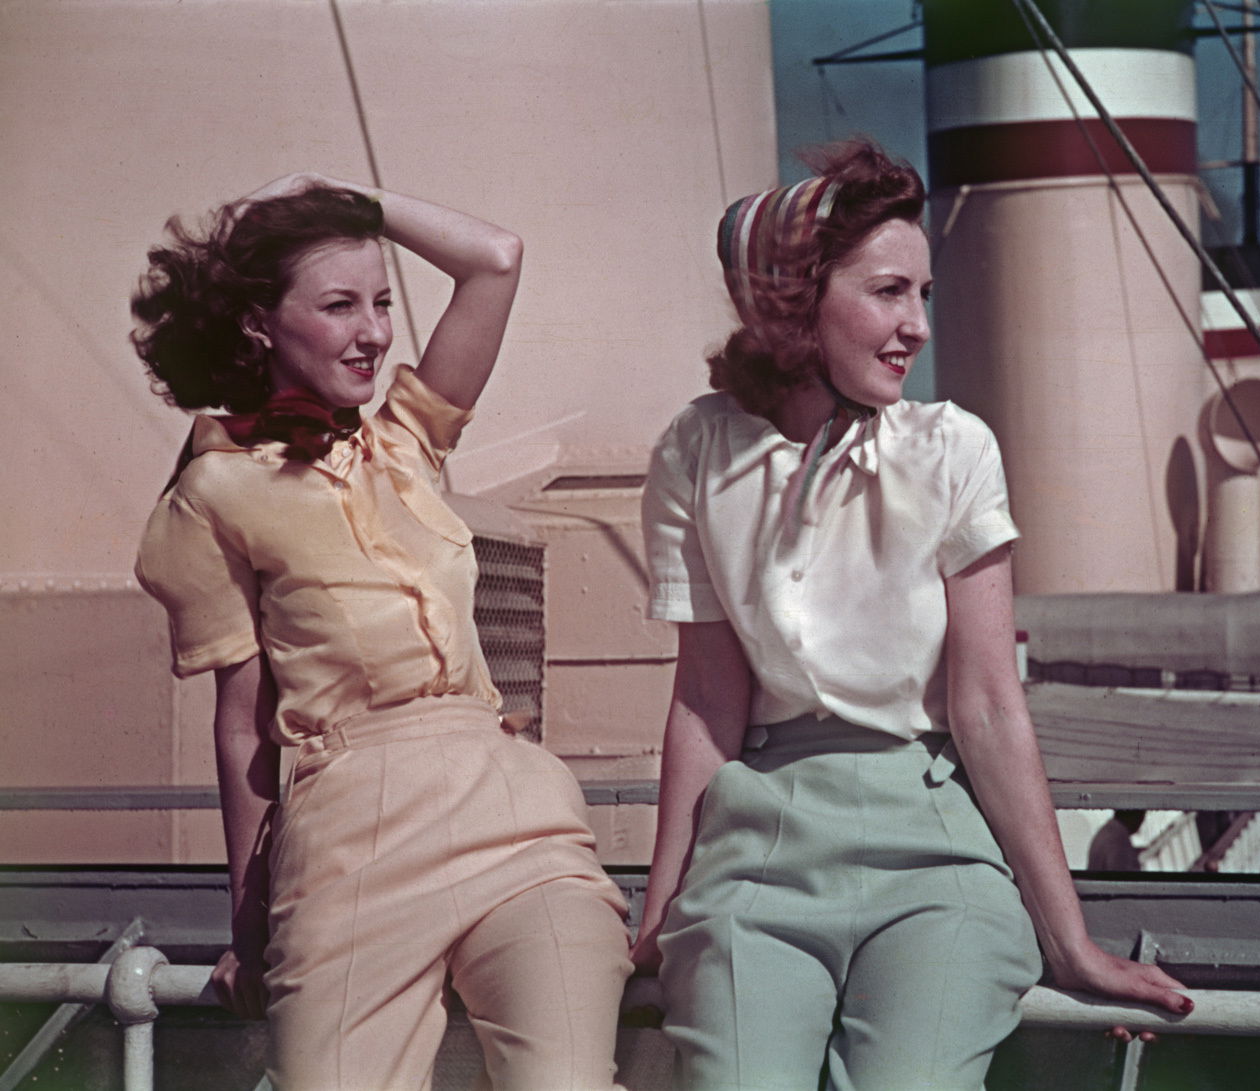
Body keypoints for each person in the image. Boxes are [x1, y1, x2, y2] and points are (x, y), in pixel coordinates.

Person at [631, 140, 1193, 1090]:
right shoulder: (699, 450)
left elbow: (987, 706)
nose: (918, 326)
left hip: (935, 854)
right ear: (799, 303)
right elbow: (705, 701)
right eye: (890, 292)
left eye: (924, 294)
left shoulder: (952, 450)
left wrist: (1073, 941)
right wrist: (658, 912)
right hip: (759, 846)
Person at [132, 173, 632, 1090]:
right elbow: (242, 722)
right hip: (350, 837)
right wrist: (249, 923)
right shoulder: (211, 495)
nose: (372, 332)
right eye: (338, 305)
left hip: (515, 820)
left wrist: (350, 198)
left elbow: (496, 260)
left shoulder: (406, 442)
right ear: (259, 322)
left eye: (381, 303)